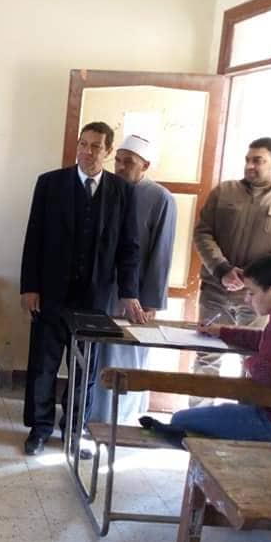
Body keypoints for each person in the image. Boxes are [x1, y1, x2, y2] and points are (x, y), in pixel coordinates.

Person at [20, 121, 143, 456]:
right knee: (43, 367)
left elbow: (129, 246)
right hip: (51, 293)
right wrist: (29, 287)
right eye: (83, 144)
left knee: (84, 370)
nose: (87, 152)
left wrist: (128, 291)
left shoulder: (122, 191)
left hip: (95, 297)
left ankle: (73, 432)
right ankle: (40, 429)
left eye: (95, 146)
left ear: (108, 151)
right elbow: (34, 238)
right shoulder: (50, 184)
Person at [140, 255, 271, 445]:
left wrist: (249, 362)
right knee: (216, 416)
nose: (246, 300)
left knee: (180, 419)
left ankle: (205, 452)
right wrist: (222, 332)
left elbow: (269, 374)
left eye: (251, 293)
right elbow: (266, 340)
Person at [90, 134, 177, 423]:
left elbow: (161, 253)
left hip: (135, 295)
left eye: (128, 162)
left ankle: (121, 419)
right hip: (103, 290)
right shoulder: (106, 188)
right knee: (99, 353)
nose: (120, 166)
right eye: (117, 160)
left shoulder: (160, 198)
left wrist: (150, 300)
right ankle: (91, 415)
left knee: (127, 355)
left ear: (145, 165)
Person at [191, 137, 271, 397]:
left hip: (257, 297)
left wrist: (253, 278)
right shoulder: (224, 191)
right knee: (206, 356)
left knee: (252, 358)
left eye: (258, 160)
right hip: (215, 289)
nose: (250, 166)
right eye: (248, 160)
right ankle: (198, 416)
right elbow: (203, 233)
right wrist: (222, 270)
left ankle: (243, 415)